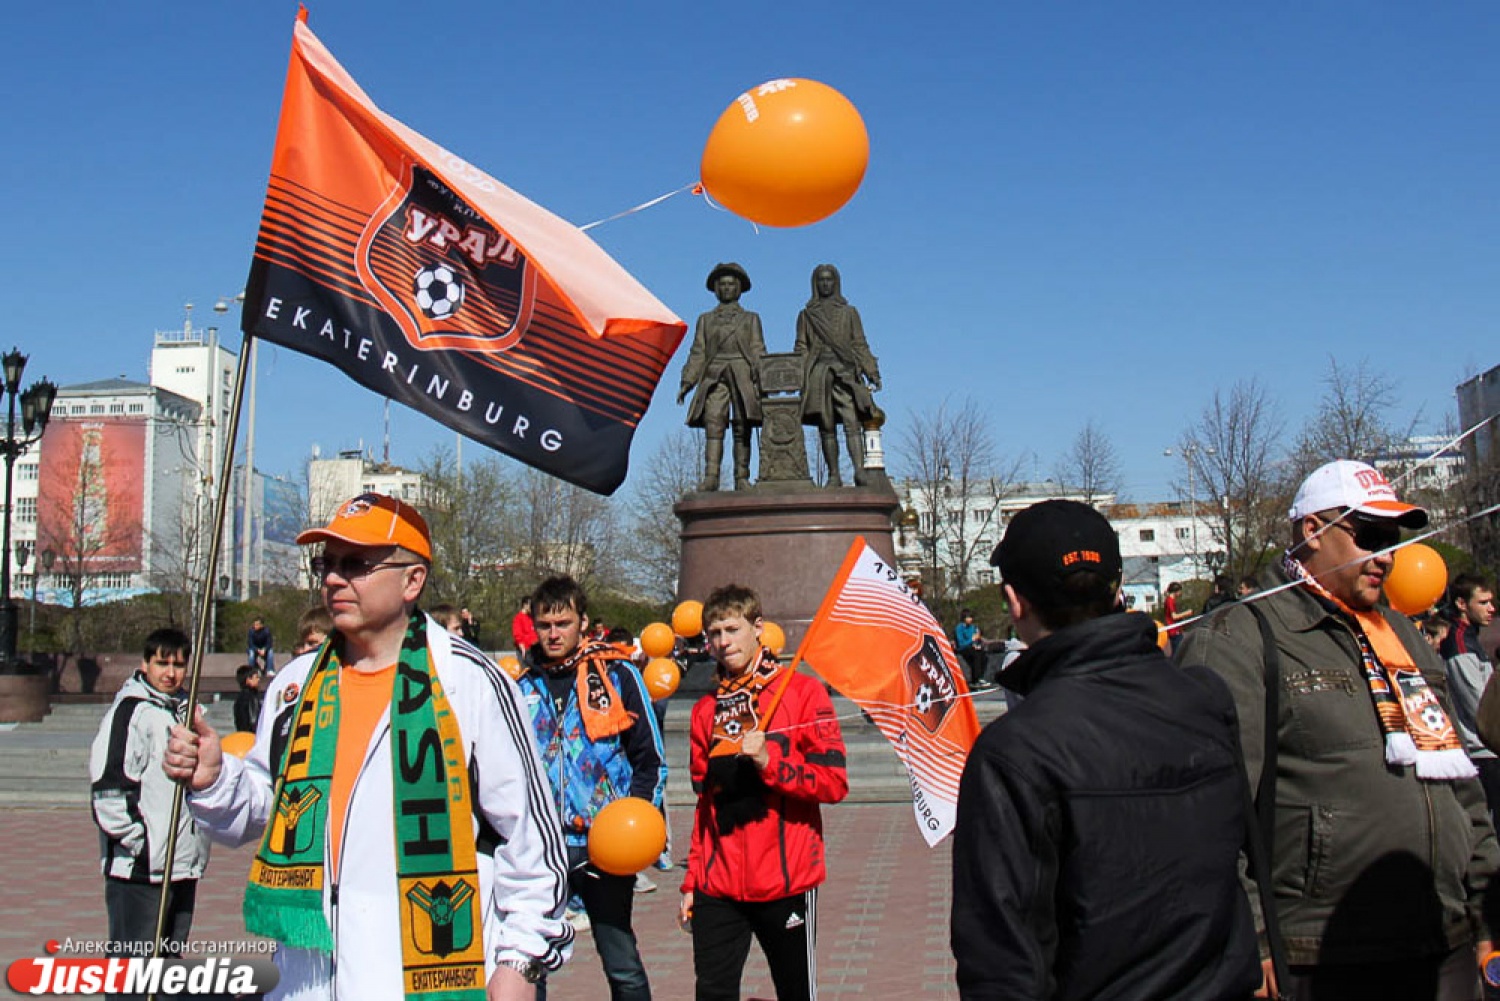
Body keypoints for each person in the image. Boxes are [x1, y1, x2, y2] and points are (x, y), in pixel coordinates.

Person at [164, 492, 571, 999]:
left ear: (412, 580)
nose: (334, 579)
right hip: (305, 980)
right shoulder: (296, 684)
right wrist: (214, 779)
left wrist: (521, 962)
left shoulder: (471, 682)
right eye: (327, 564)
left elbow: (532, 838)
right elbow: (262, 809)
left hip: (427, 979)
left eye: (356, 564)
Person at [1175, 460, 1498, 1000]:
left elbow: (1459, 782)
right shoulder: (1242, 637)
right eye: (1370, 535)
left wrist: (1487, 906)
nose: (1386, 557)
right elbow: (1207, 815)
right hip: (1319, 954)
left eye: (1392, 540)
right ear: (1313, 531)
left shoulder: (1404, 637)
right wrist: (1251, 938)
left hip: (1445, 940)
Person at [951, 501, 1259, 999]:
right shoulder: (1205, 699)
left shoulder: (1014, 750)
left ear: (1014, 602)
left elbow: (1001, 958)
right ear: (1117, 590)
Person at [679, 584, 848, 1001]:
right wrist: (692, 881)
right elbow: (706, 806)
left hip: (785, 882)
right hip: (718, 886)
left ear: (758, 628)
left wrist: (771, 764)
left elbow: (833, 783)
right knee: (712, 993)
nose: (723, 642)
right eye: (715, 633)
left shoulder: (803, 694)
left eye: (732, 629)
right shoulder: (705, 710)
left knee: (796, 992)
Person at [514, 575, 666, 1001]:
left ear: (583, 622)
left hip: (605, 844)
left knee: (620, 960)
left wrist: (636, 819)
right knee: (530, 960)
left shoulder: (617, 675)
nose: (553, 634)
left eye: (563, 623)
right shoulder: (522, 685)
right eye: (545, 625)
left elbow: (649, 758)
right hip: (543, 847)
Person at [90, 627, 211, 956]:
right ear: (145, 664)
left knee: (168, 964)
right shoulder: (132, 713)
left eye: (179, 665)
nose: (171, 673)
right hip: (140, 871)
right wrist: (142, 847)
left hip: (182, 866)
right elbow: (109, 789)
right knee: (134, 964)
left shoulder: (188, 713)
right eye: (162, 663)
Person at [677, 262, 766, 492]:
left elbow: (758, 350)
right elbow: (698, 352)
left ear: (739, 289)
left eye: (731, 284)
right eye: (723, 285)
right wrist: (687, 382)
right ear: (716, 289)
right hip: (715, 375)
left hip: (743, 374)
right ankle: (711, 476)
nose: (727, 288)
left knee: (742, 425)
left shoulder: (751, 319)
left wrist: (762, 378)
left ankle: (742, 477)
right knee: (713, 423)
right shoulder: (705, 320)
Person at [793, 263, 881, 487]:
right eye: (821, 280)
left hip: (844, 372)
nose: (825, 284)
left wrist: (871, 370)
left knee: (852, 421)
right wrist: (800, 373)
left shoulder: (849, 313)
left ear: (836, 283)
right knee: (826, 425)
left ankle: (859, 470)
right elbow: (801, 347)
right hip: (819, 374)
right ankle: (834, 475)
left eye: (829, 279)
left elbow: (859, 344)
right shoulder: (806, 315)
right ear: (815, 284)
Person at [1442, 573, 1499, 817]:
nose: (1491, 608)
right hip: (1482, 753)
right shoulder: (1460, 645)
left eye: (1491, 602)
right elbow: (1480, 707)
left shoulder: (1471, 639)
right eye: (1483, 602)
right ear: (1461, 604)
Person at [952, 609, 991, 690]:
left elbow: (976, 638)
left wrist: (976, 642)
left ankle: (979, 677)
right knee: (975, 655)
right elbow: (961, 643)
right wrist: (972, 640)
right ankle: (976, 679)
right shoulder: (959, 628)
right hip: (962, 648)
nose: (970, 619)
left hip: (972, 647)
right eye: (968, 617)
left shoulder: (973, 627)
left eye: (971, 617)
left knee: (983, 655)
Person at [233, 664, 264, 733]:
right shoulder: (250, 697)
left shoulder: (240, 697)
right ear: (248, 680)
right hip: (251, 735)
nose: (258, 680)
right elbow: (253, 720)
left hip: (243, 735)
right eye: (256, 677)